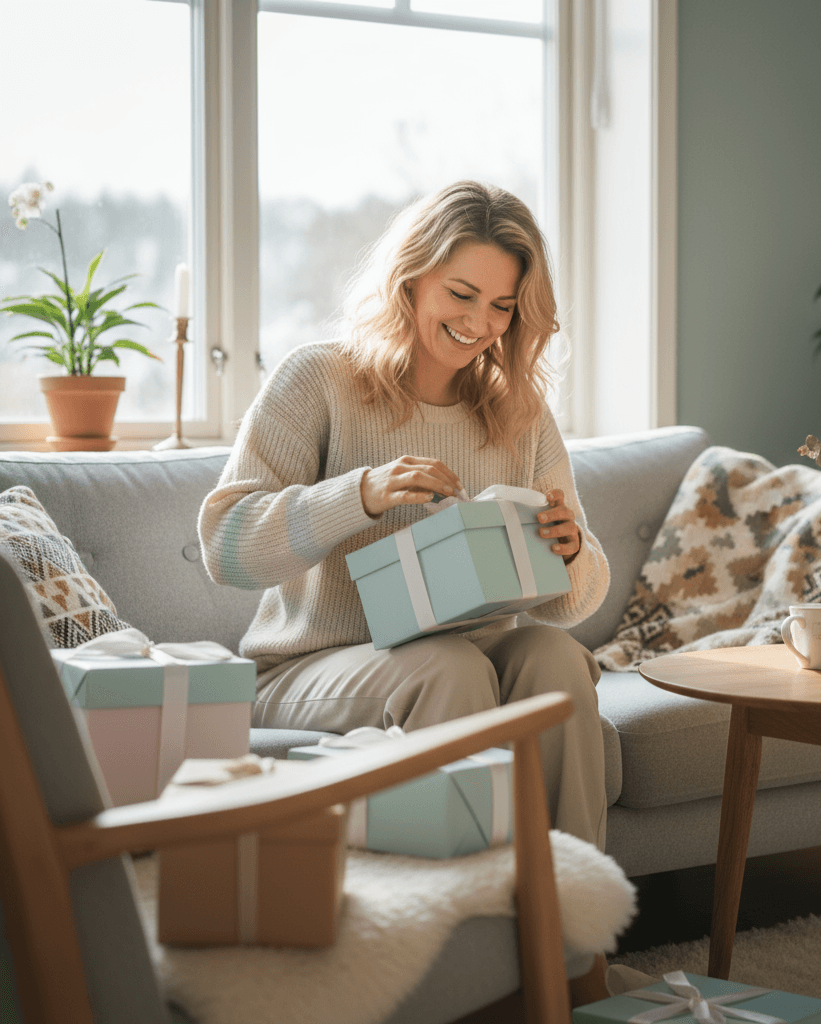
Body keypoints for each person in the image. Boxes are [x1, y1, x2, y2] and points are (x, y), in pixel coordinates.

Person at [199, 181, 611, 847]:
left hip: (466, 652)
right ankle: (460, 937)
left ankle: (571, 939)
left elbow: (571, 605)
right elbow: (226, 547)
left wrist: (570, 555)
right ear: (411, 278)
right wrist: (359, 495)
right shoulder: (318, 380)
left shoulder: (520, 414)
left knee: (556, 659)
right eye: (462, 294)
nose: (481, 323)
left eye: (503, 306)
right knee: (447, 667)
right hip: (312, 668)